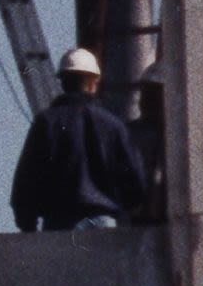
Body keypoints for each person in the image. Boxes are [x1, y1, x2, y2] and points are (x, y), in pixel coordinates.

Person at [11, 41, 154, 232]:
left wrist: (27, 223)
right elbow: (135, 181)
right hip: (105, 220)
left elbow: (27, 177)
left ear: (62, 82)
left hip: (60, 222)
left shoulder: (47, 123)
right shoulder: (113, 125)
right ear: (94, 82)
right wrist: (125, 210)